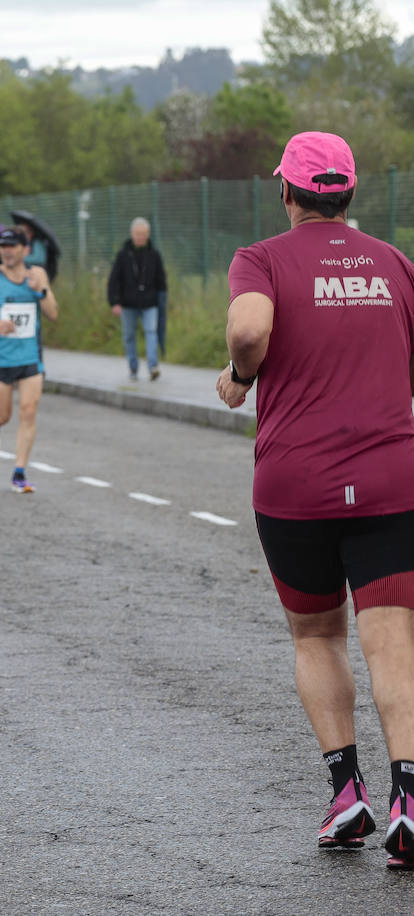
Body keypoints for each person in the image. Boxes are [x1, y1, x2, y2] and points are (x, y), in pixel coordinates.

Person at [215, 131, 414, 868]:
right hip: (393, 479)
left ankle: (346, 794)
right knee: (393, 639)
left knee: (318, 636)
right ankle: (409, 798)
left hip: (297, 484)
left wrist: (240, 373)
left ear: (288, 193)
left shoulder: (262, 258)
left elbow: (249, 327)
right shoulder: (395, 264)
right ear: (349, 193)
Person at [0, 228, 59, 494]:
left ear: (25, 249)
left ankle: (19, 471)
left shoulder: (37, 275)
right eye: (2, 246)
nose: (6, 251)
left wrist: (40, 291)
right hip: (2, 360)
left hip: (31, 357)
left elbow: (53, 313)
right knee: (4, 415)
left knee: (29, 411)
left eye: (11, 246)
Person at [107, 217, 168, 381]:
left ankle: (153, 366)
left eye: (143, 234)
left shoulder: (154, 254)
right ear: (132, 234)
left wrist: (162, 298)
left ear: (148, 234)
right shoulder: (123, 254)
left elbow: (161, 279)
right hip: (128, 304)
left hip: (150, 303)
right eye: (137, 234)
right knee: (129, 335)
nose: (140, 237)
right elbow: (114, 279)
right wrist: (114, 301)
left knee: (151, 332)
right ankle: (133, 367)